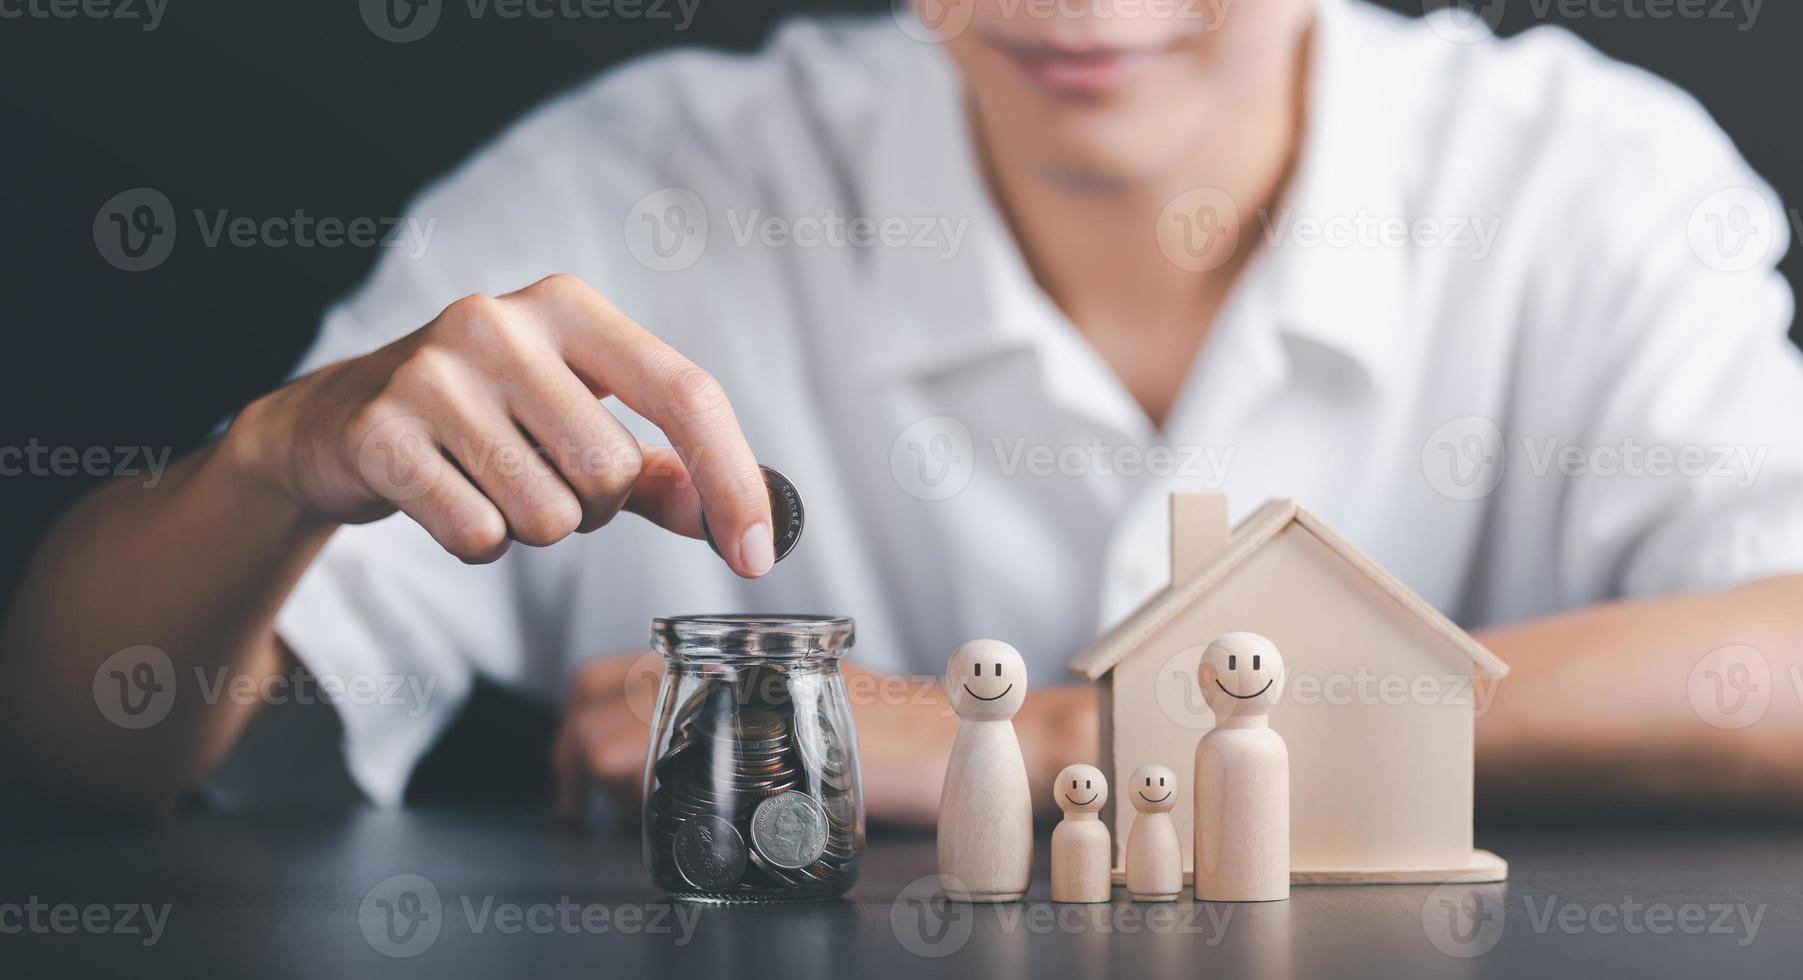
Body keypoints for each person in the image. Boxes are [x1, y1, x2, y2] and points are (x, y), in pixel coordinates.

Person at [4, 0, 1802, 825]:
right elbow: (83, 751)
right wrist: (267, 475)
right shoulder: (639, 190)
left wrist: (1049, 735)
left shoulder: (1590, 179)